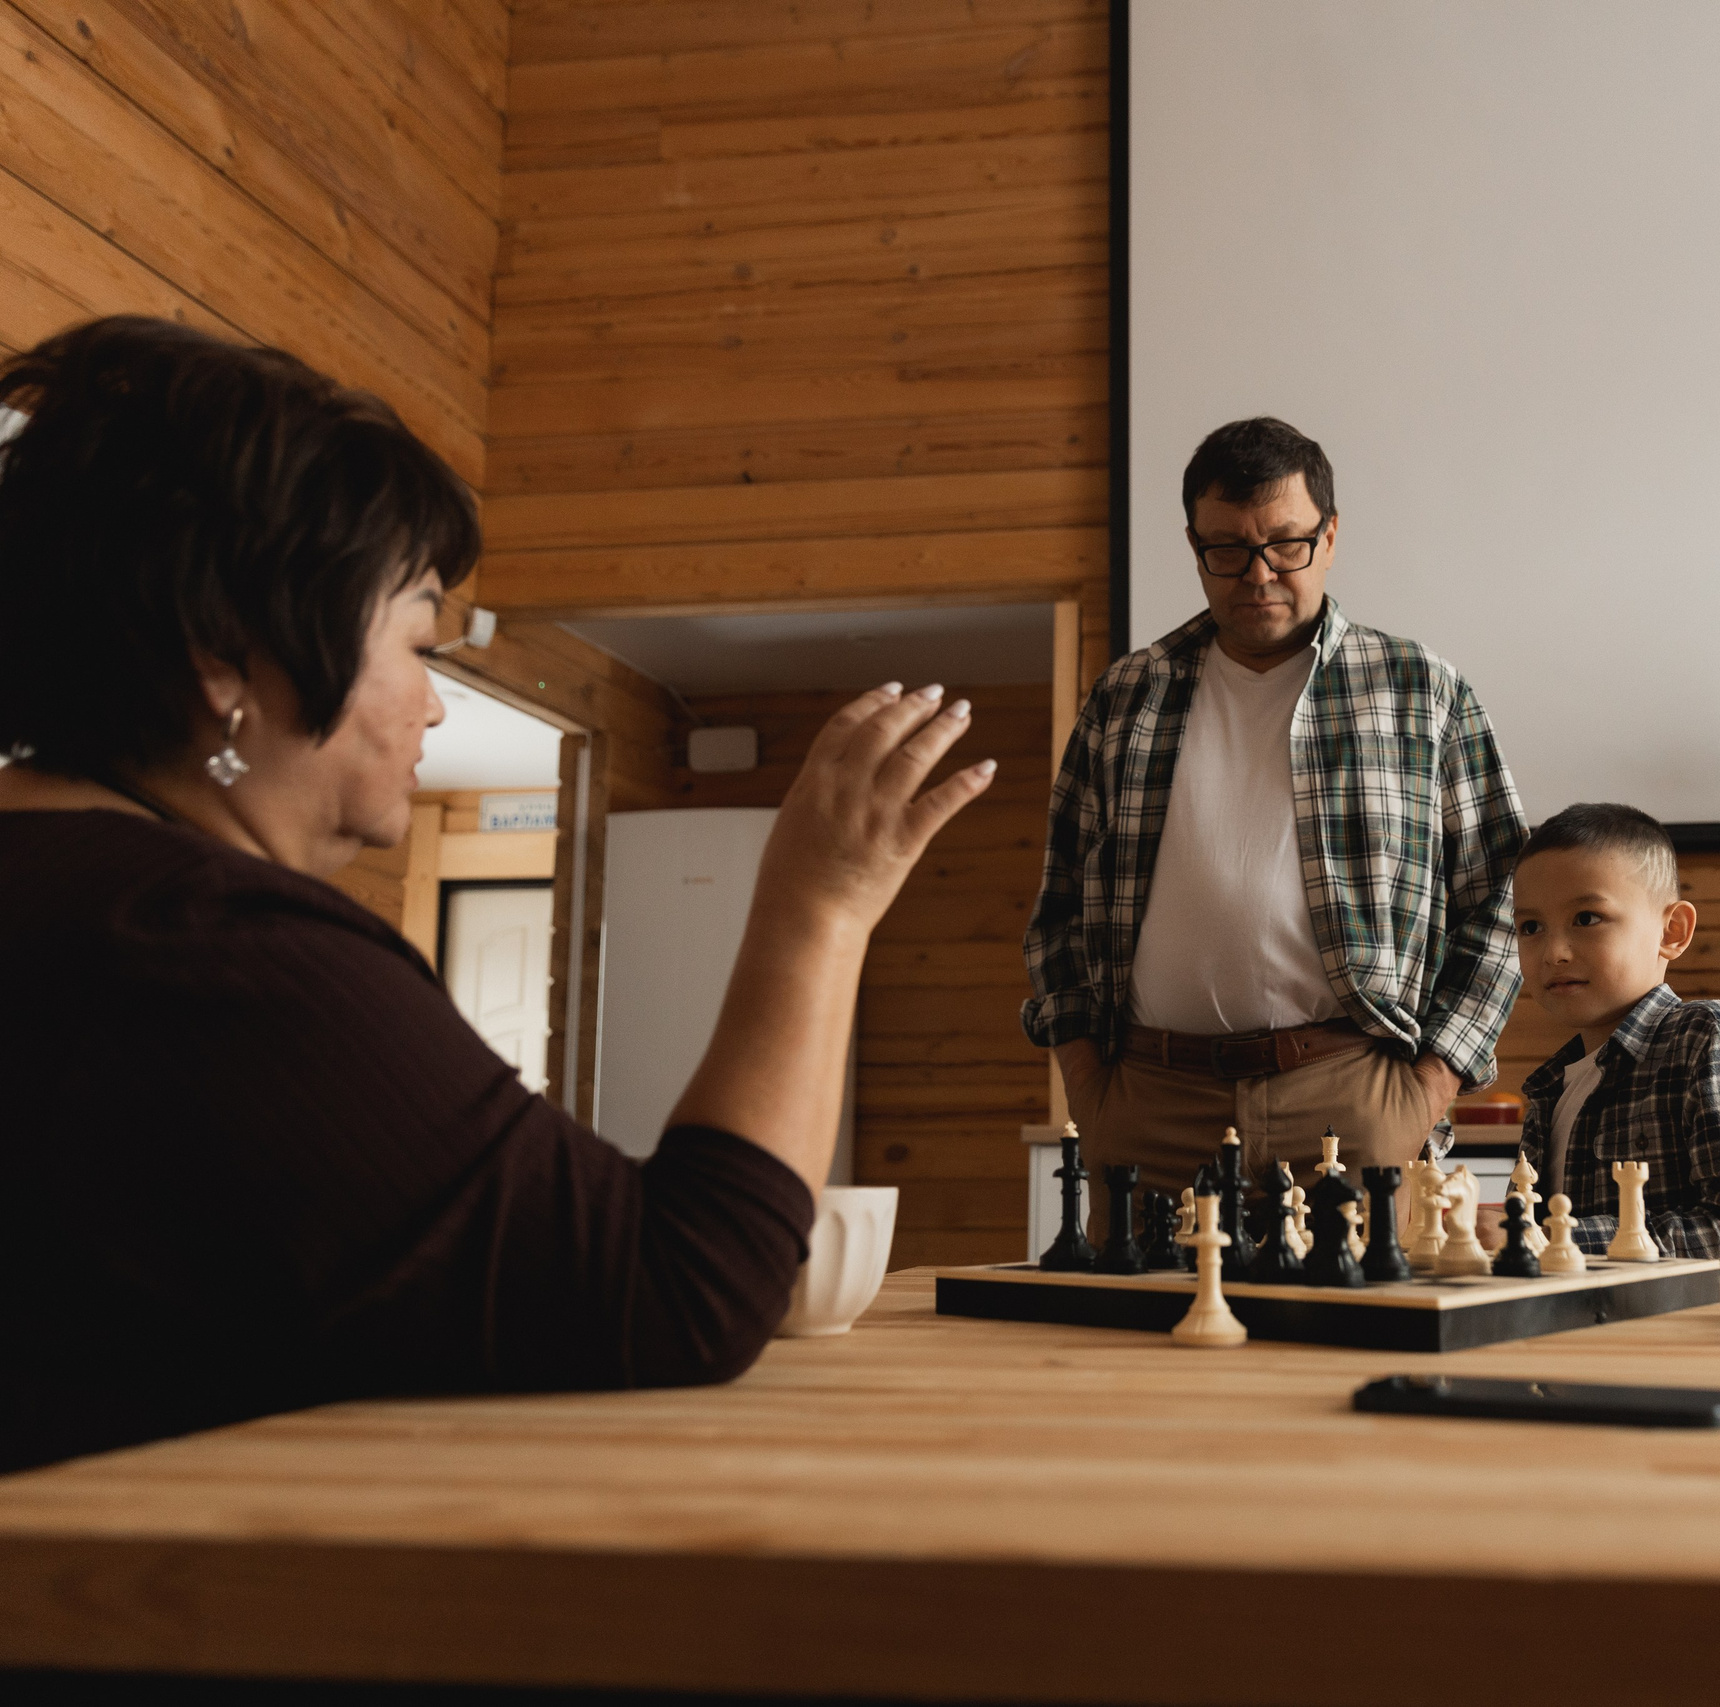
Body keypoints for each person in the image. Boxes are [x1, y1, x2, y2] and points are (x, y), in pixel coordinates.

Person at [0, 318, 992, 1473]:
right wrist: (821, 904)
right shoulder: (203, 950)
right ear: (224, 654)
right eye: (419, 643)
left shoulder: (80, 896)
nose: (433, 704)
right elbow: (683, 1288)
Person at [1023, 417, 1526, 1196]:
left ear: (1330, 536)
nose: (1258, 574)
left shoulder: (1422, 690)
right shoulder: (1126, 695)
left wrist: (1427, 1087)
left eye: (1286, 543)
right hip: (1149, 1103)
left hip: (1355, 1097)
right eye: (1227, 549)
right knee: (1131, 1285)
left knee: (1365, 1286)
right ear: (1194, 546)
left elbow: (1504, 897)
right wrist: (1088, 1084)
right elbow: (1058, 904)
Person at [1512, 804, 1720, 1268]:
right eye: (1531, 927)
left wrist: (1550, 1238)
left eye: (1586, 918)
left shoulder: (1706, 1038)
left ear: (1672, 931)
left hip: (1702, 1317)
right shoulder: (1550, 1087)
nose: (1554, 952)